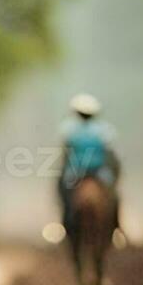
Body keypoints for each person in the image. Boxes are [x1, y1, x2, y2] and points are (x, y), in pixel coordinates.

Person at [57, 92, 121, 231]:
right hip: (99, 172)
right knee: (114, 196)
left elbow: (65, 154)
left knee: (64, 193)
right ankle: (116, 226)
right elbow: (110, 155)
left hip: (75, 173)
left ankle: (65, 223)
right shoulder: (104, 130)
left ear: (77, 113)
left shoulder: (69, 129)